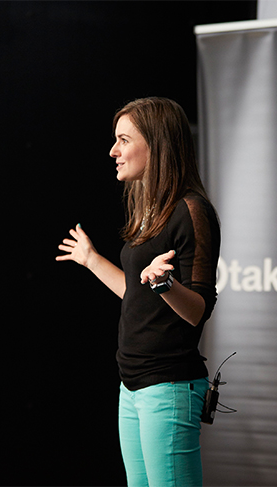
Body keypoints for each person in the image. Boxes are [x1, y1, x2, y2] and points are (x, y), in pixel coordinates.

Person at [56, 97, 220, 487]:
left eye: (124, 140)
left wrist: (164, 284)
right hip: (131, 385)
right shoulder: (150, 208)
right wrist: (92, 259)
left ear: (157, 144)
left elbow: (198, 308)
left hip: (168, 386)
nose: (113, 151)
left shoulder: (191, 210)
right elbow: (137, 292)